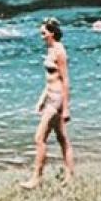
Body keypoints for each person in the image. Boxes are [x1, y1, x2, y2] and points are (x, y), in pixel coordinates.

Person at [21, 18, 74, 189]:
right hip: (50, 96)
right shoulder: (50, 49)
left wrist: (66, 108)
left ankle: (37, 178)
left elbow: (65, 80)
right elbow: (50, 79)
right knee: (62, 138)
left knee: (39, 138)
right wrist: (41, 99)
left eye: (43, 33)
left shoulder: (60, 51)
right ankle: (70, 176)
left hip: (57, 99)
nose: (41, 36)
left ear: (52, 33)